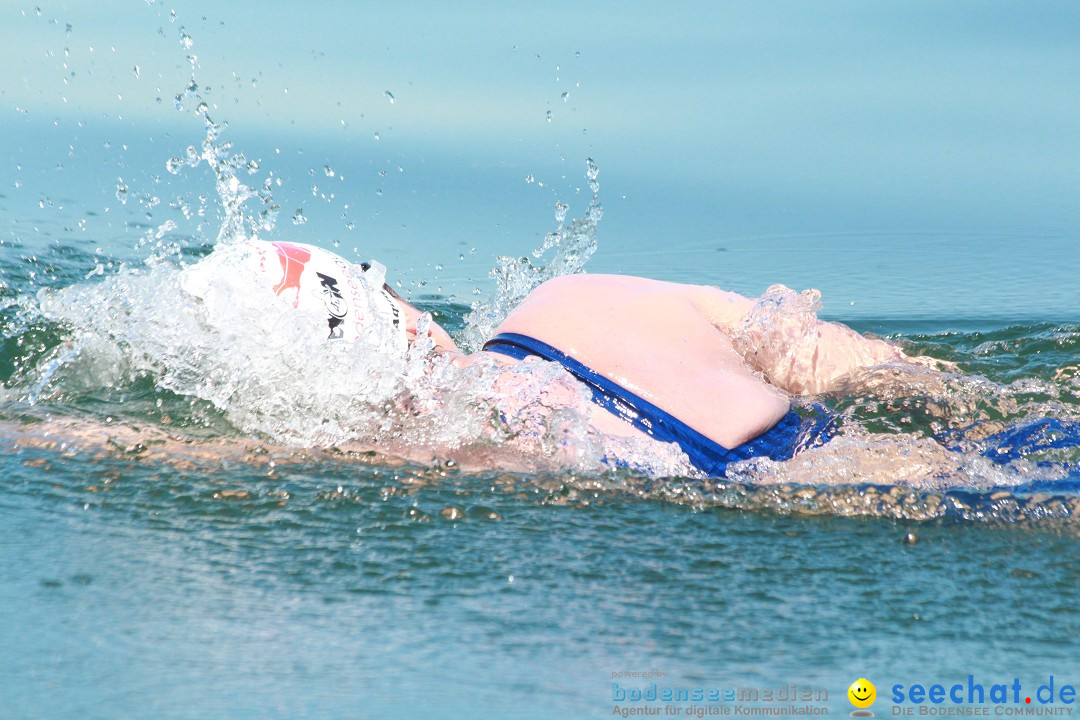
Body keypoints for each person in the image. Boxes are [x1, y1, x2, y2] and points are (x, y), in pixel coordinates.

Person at [181, 239, 921, 477]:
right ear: (401, 306)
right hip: (899, 463)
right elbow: (870, 368)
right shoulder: (579, 299)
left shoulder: (422, 459)